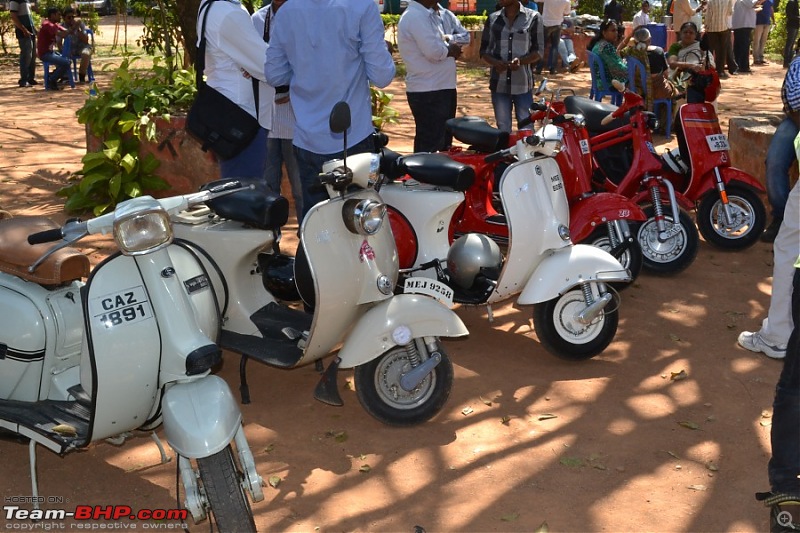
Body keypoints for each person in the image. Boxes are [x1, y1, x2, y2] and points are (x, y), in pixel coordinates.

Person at [264, 0, 395, 221]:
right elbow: (382, 76)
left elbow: (275, 75)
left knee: (317, 224)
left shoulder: (286, 11)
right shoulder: (361, 6)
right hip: (352, 140)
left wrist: (305, 70)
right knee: (356, 226)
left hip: (306, 140)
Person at [197, 0, 269, 181]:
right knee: (245, 195)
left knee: (236, 190)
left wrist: (249, 65)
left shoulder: (209, 5)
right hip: (241, 118)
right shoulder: (229, 13)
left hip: (224, 112)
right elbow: (268, 66)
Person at [252, 0, 303, 222]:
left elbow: (313, 63)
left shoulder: (305, 16)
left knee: (302, 188)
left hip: (297, 117)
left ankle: (307, 243)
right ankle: (269, 243)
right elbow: (251, 62)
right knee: (266, 187)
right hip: (266, 116)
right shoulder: (257, 20)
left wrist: (294, 90)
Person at [397, 0, 466, 153]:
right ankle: (425, 177)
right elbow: (434, 51)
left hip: (439, 88)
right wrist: (451, 49)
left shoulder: (426, 15)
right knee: (432, 144)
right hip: (429, 91)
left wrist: (447, 47)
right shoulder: (416, 16)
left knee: (442, 143)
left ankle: (433, 176)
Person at [480, 0, 543, 133]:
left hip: (523, 84)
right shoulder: (493, 19)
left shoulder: (533, 18)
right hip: (499, 84)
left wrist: (521, 61)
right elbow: (484, 51)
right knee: (503, 128)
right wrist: (495, 63)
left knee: (526, 127)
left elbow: (538, 52)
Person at [762, 42, 800, 243]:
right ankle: (781, 217)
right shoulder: (798, 64)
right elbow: (793, 100)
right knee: (775, 162)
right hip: (796, 120)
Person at [667, 21, 715, 102]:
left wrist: (704, 64)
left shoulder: (700, 46)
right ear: (680, 34)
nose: (688, 34)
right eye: (685, 32)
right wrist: (692, 66)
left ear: (695, 35)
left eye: (691, 32)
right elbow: (672, 64)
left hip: (700, 79)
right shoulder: (676, 46)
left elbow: (710, 63)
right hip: (679, 78)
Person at [588, 19, 628, 91]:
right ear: (604, 32)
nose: (616, 33)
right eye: (613, 31)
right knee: (635, 79)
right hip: (607, 82)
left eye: (616, 30)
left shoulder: (598, 43)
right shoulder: (607, 47)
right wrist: (626, 65)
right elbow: (618, 68)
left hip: (598, 81)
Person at [36, 7, 70, 91]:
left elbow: (66, 31)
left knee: (66, 60)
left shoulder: (54, 24)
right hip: (45, 53)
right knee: (66, 62)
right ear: (52, 15)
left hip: (50, 52)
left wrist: (69, 30)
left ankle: (53, 76)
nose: (60, 17)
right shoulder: (47, 24)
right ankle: (52, 79)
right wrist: (71, 29)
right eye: (58, 15)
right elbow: (62, 34)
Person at [538, 0, 571, 74]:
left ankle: (539, 68)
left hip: (545, 24)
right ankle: (552, 69)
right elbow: (567, 13)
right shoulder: (566, 1)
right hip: (557, 24)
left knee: (542, 46)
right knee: (554, 46)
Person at [9, 0, 37, 88]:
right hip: (23, 32)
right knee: (26, 55)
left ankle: (30, 78)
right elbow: (13, 16)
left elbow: (29, 17)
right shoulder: (14, 1)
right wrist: (23, 29)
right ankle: (23, 80)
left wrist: (35, 30)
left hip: (30, 30)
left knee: (32, 55)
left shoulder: (27, 1)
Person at [704, 0, 735, 78]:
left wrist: (706, 25)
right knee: (722, 50)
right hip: (723, 27)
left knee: (710, 50)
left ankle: (709, 69)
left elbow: (708, 15)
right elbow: (730, 12)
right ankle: (720, 71)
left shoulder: (710, 1)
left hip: (712, 28)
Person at [731, 0, 763, 74]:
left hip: (740, 25)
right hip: (744, 24)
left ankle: (738, 65)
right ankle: (743, 66)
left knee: (738, 46)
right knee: (744, 46)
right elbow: (753, 3)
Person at [62, 7, 92, 84]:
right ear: (64, 18)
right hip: (69, 48)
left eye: (73, 17)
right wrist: (71, 29)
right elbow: (59, 42)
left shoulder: (80, 25)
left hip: (82, 46)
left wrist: (77, 30)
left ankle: (82, 75)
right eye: (69, 17)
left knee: (86, 54)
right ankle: (65, 76)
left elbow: (86, 40)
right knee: (59, 56)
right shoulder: (62, 26)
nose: (71, 19)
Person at [753, 0, 774, 65]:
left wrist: (773, 19)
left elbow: (771, 9)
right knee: (757, 40)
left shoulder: (770, 1)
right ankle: (756, 58)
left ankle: (761, 57)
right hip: (758, 22)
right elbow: (755, 6)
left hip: (767, 22)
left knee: (763, 41)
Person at [784, 0, 799, 68]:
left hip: (796, 25)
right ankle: (786, 62)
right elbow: (789, 15)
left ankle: (789, 61)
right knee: (789, 44)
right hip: (791, 25)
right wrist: (798, 18)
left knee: (792, 44)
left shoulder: (796, 2)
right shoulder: (791, 2)